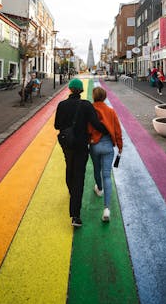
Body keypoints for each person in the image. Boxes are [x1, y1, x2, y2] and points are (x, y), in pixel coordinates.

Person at [54, 78, 108, 228]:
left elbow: (56, 125)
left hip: (66, 143)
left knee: (69, 168)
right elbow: (96, 124)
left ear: (70, 89)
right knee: (79, 176)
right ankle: (75, 216)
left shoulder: (62, 105)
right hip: (81, 144)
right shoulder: (86, 105)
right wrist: (108, 130)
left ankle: (73, 194)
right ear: (81, 91)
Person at [88, 87, 123, 222]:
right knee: (107, 175)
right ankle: (107, 208)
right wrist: (120, 146)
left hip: (94, 145)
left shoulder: (90, 110)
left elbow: (87, 128)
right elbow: (117, 130)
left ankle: (99, 189)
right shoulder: (111, 111)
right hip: (108, 146)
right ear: (104, 96)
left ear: (94, 96)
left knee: (97, 169)